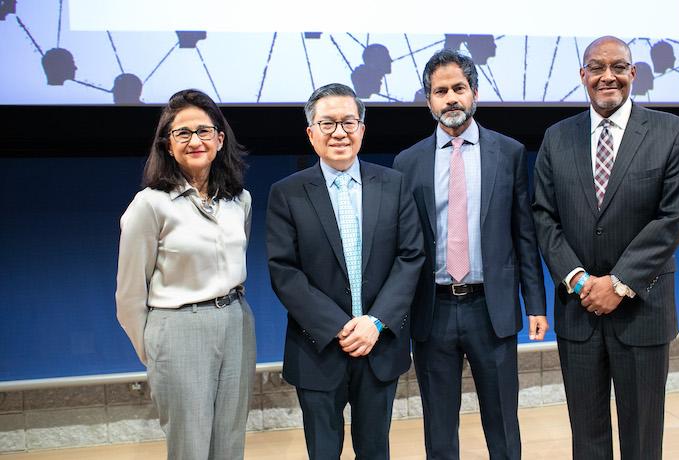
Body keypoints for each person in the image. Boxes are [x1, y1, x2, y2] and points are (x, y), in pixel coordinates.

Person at [532, 36, 679, 459]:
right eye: (597, 67)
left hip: (643, 309)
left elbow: (672, 217)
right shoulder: (556, 138)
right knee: (586, 437)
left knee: (642, 439)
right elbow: (544, 216)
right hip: (578, 309)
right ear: (582, 75)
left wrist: (620, 282)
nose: (609, 76)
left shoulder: (674, 133)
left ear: (633, 74)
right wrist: (579, 279)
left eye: (619, 67)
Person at [393, 49, 548, 460]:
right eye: (440, 91)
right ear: (428, 101)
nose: (450, 98)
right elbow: (403, 247)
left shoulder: (509, 152)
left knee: (502, 425)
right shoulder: (406, 163)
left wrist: (535, 303)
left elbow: (524, 235)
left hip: (490, 309)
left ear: (474, 92)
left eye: (458, 88)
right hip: (433, 311)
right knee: (439, 429)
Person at [265, 83, 424, 459]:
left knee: (375, 451)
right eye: (328, 123)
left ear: (362, 129)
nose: (339, 132)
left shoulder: (394, 184)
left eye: (348, 122)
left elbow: (410, 257)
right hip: (317, 347)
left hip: (378, 344)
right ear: (311, 132)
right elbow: (284, 270)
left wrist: (375, 322)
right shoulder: (286, 193)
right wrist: (338, 326)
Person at [115, 89, 256, 460]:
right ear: (167, 144)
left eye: (204, 131)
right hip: (178, 328)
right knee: (190, 447)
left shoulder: (239, 200)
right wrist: (156, 352)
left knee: (229, 441)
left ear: (220, 139)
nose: (196, 141)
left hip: (237, 321)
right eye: (183, 133)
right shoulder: (150, 204)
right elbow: (129, 296)